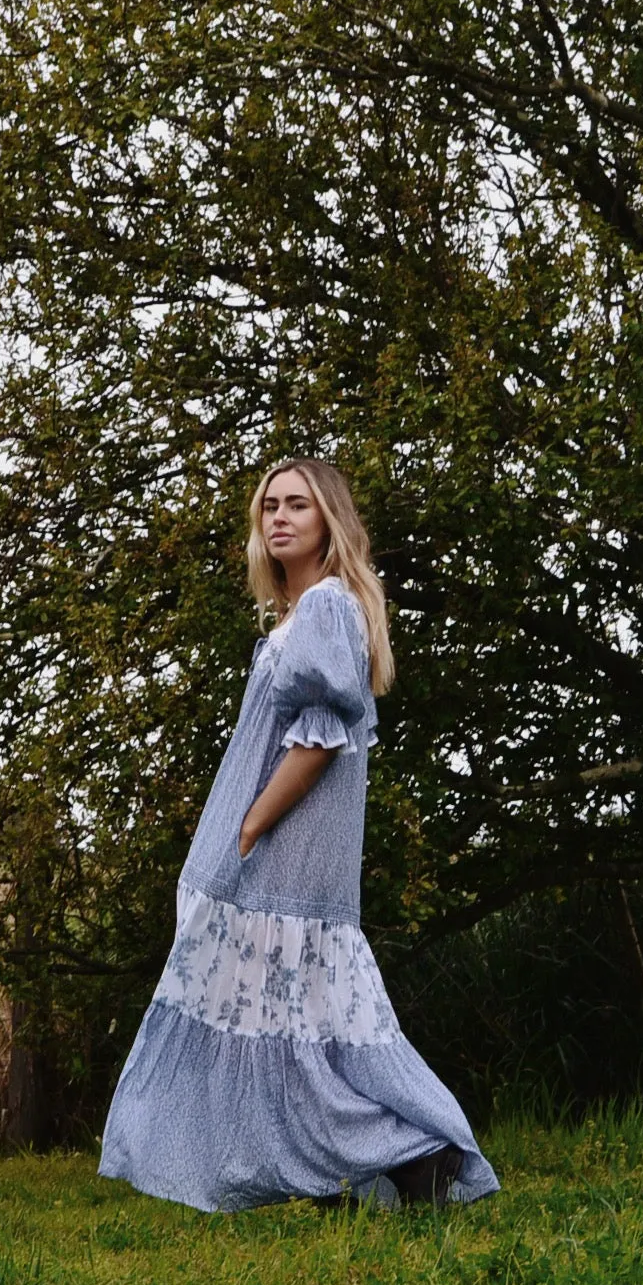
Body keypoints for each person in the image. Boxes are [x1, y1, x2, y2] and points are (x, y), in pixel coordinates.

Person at [98, 459, 499, 1211]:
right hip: (271, 845)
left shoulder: (324, 609)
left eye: (298, 506)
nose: (279, 518)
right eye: (269, 507)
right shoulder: (303, 615)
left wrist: (249, 827)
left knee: (288, 1007)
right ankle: (340, 1173)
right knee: (291, 1013)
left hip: (282, 848)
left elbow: (315, 746)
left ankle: (415, 1153)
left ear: (329, 521)